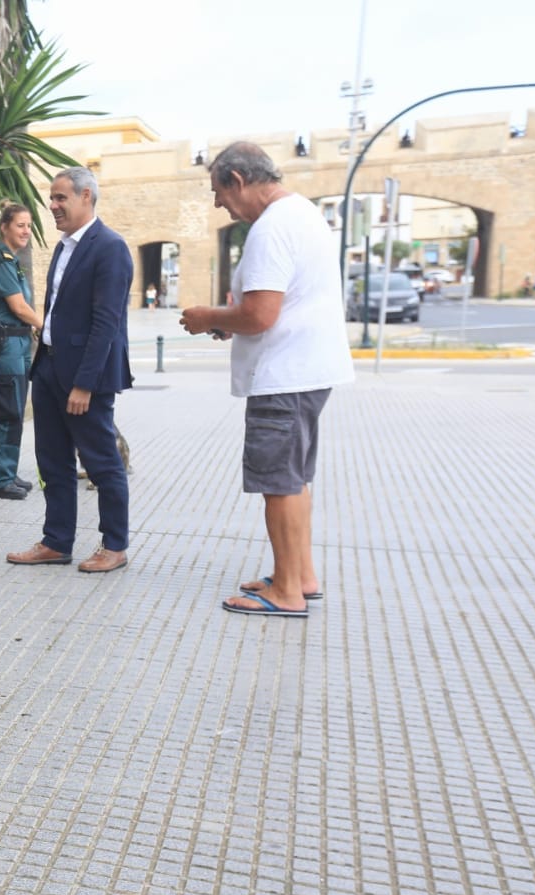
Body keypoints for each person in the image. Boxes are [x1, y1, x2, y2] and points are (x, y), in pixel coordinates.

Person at [179, 142, 354, 617]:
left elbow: (259, 314)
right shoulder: (304, 213)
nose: (219, 205)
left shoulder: (270, 228)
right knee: (294, 481)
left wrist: (204, 316)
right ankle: (300, 576)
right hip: (308, 370)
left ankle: (286, 593)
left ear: (237, 179)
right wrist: (227, 321)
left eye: (219, 192)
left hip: (283, 374)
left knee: (279, 483)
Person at [5, 166, 133, 574]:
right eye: (52, 196)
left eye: (61, 197)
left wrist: (85, 384)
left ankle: (114, 545)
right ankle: (57, 541)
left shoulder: (109, 247)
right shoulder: (64, 247)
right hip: (48, 370)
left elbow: (106, 323)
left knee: (101, 462)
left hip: (82, 380)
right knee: (51, 461)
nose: (52, 205)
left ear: (86, 197)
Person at [0, 201, 41, 500]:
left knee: (14, 411)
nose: (26, 230)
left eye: (29, 225)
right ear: (4, 227)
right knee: (7, 412)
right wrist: (44, 325)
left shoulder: (11, 262)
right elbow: (18, 307)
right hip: (4, 347)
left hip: (17, 344)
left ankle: (7, 472)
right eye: (20, 225)